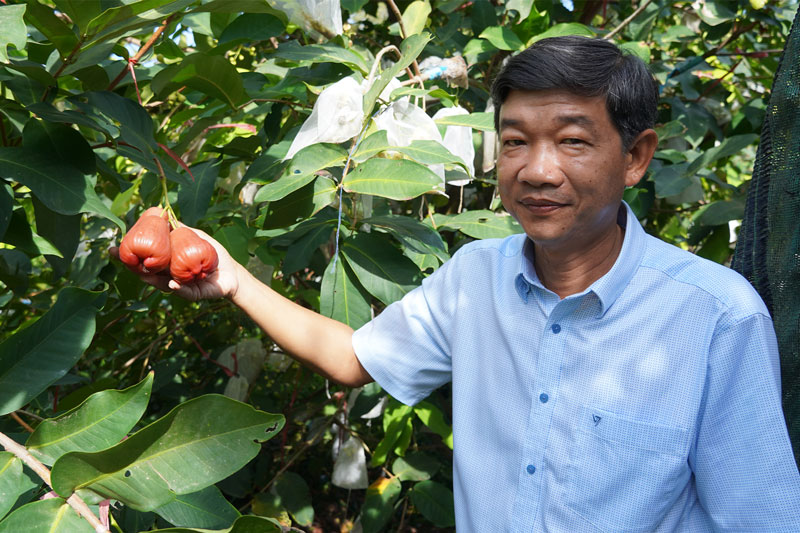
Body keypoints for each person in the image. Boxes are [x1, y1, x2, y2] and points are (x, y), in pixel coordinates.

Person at [117, 36, 800, 531]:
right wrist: (232, 280)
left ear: (637, 158)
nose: (536, 170)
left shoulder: (716, 317)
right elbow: (353, 357)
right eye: (513, 141)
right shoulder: (475, 278)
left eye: (572, 141)